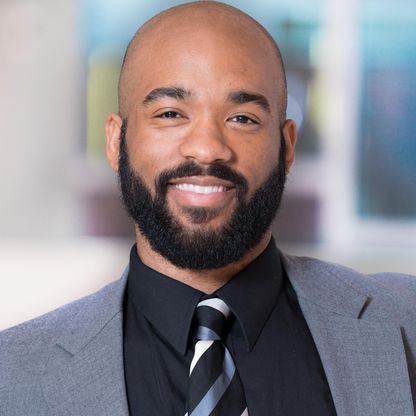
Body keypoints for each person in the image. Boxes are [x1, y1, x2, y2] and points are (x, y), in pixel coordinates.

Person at [1, 1, 415, 415]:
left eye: (242, 118)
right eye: (170, 113)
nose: (207, 148)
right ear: (115, 141)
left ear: (286, 147)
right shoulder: (13, 376)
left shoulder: (405, 322)